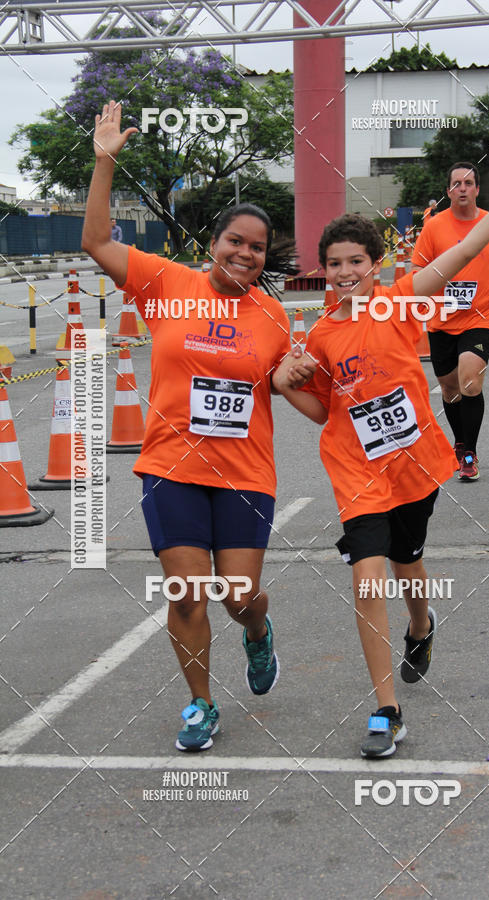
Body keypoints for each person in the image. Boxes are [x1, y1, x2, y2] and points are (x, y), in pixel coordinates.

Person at [273, 137, 489, 759]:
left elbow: (467, 247)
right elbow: (326, 410)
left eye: (356, 261)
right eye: (334, 264)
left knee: (409, 565)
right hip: (356, 469)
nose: (345, 272)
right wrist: (284, 387)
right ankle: (387, 709)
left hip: (412, 463)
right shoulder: (324, 334)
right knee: (366, 579)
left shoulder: (400, 299)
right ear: (322, 270)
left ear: (377, 265)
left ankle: (421, 625)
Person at [82, 101, 294, 752]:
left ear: (264, 259)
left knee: (237, 596)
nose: (245, 254)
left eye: (257, 248)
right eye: (235, 241)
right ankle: (201, 703)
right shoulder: (166, 283)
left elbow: (292, 386)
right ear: (213, 243)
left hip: (244, 474)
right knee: (186, 596)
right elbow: (94, 242)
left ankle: (258, 632)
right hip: (169, 466)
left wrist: (299, 378)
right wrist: (104, 162)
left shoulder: (275, 318)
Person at [410, 162, 489, 482]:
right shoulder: (434, 227)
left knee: (471, 380)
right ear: (448, 191)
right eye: (456, 183)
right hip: (441, 320)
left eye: (468, 183)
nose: (462, 188)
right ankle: (460, 444)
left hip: (480, 315)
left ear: (477, 189)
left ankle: (468, 454)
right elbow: (418, 268)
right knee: (451, 390)